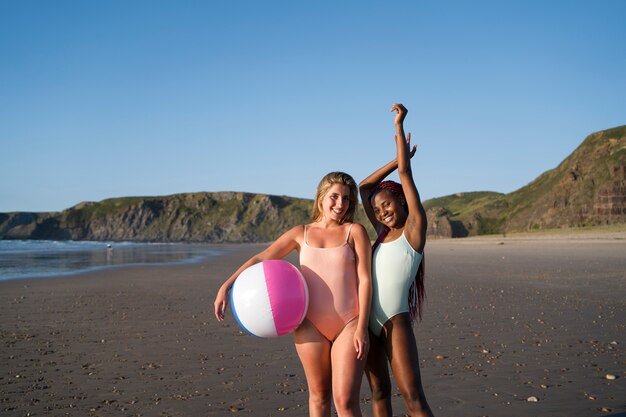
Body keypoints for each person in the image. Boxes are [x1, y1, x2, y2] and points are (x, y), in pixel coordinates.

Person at [214, 171, 372, 417]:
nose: (340, 204)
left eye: (347, 199)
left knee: (345, 403)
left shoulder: (354, 232)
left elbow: (365, 280)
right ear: (321, 197)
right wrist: (227, 285)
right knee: (319, 398)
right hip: (310, 325)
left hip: (349, 324)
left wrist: (362, 327)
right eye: (334, 196)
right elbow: (261, 258)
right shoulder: (302, 233)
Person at [359, 104, 434, 417]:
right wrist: (391, 161)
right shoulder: (382, 232)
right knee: (379, 394)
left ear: (402, 200)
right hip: (368, 325)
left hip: (394, 322)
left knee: (412, 397)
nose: (382, 213)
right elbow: (364, 187)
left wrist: (399, 127)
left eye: (386, 205)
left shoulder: (413, 231)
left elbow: (405, 173)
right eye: (377, 211)